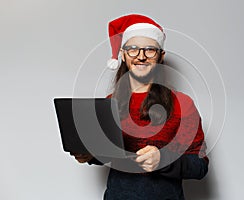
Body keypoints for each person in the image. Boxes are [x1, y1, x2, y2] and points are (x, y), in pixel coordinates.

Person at [71, 14, 209, 200]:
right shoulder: (110, 102)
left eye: (150, 50)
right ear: (123, 54)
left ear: (161, 56)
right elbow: (108, 154)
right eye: (133, 49)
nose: (141, 57)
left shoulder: (182, 104)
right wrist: (89, 156)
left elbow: (200, 165)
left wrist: (164, 160)